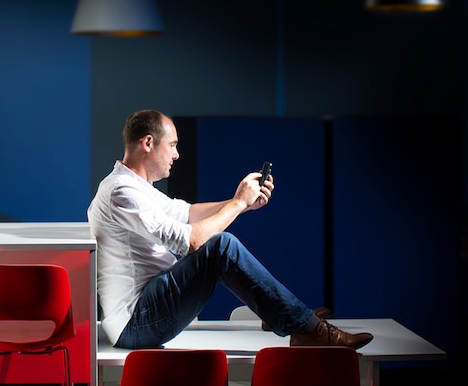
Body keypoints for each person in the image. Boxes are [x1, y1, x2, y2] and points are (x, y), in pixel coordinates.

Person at [87, 109, 373, 350]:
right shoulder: (121, 191)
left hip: (145, 311)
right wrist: (236, 204)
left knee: (221, 246)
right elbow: (193, 242)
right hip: (136, 323)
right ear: (148, 143)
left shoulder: (135, 187)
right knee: (222, 247)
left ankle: (286, 317)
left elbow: (186, 213)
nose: (177, 153)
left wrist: (243, 203)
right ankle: (308, 329)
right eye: (172, 144)